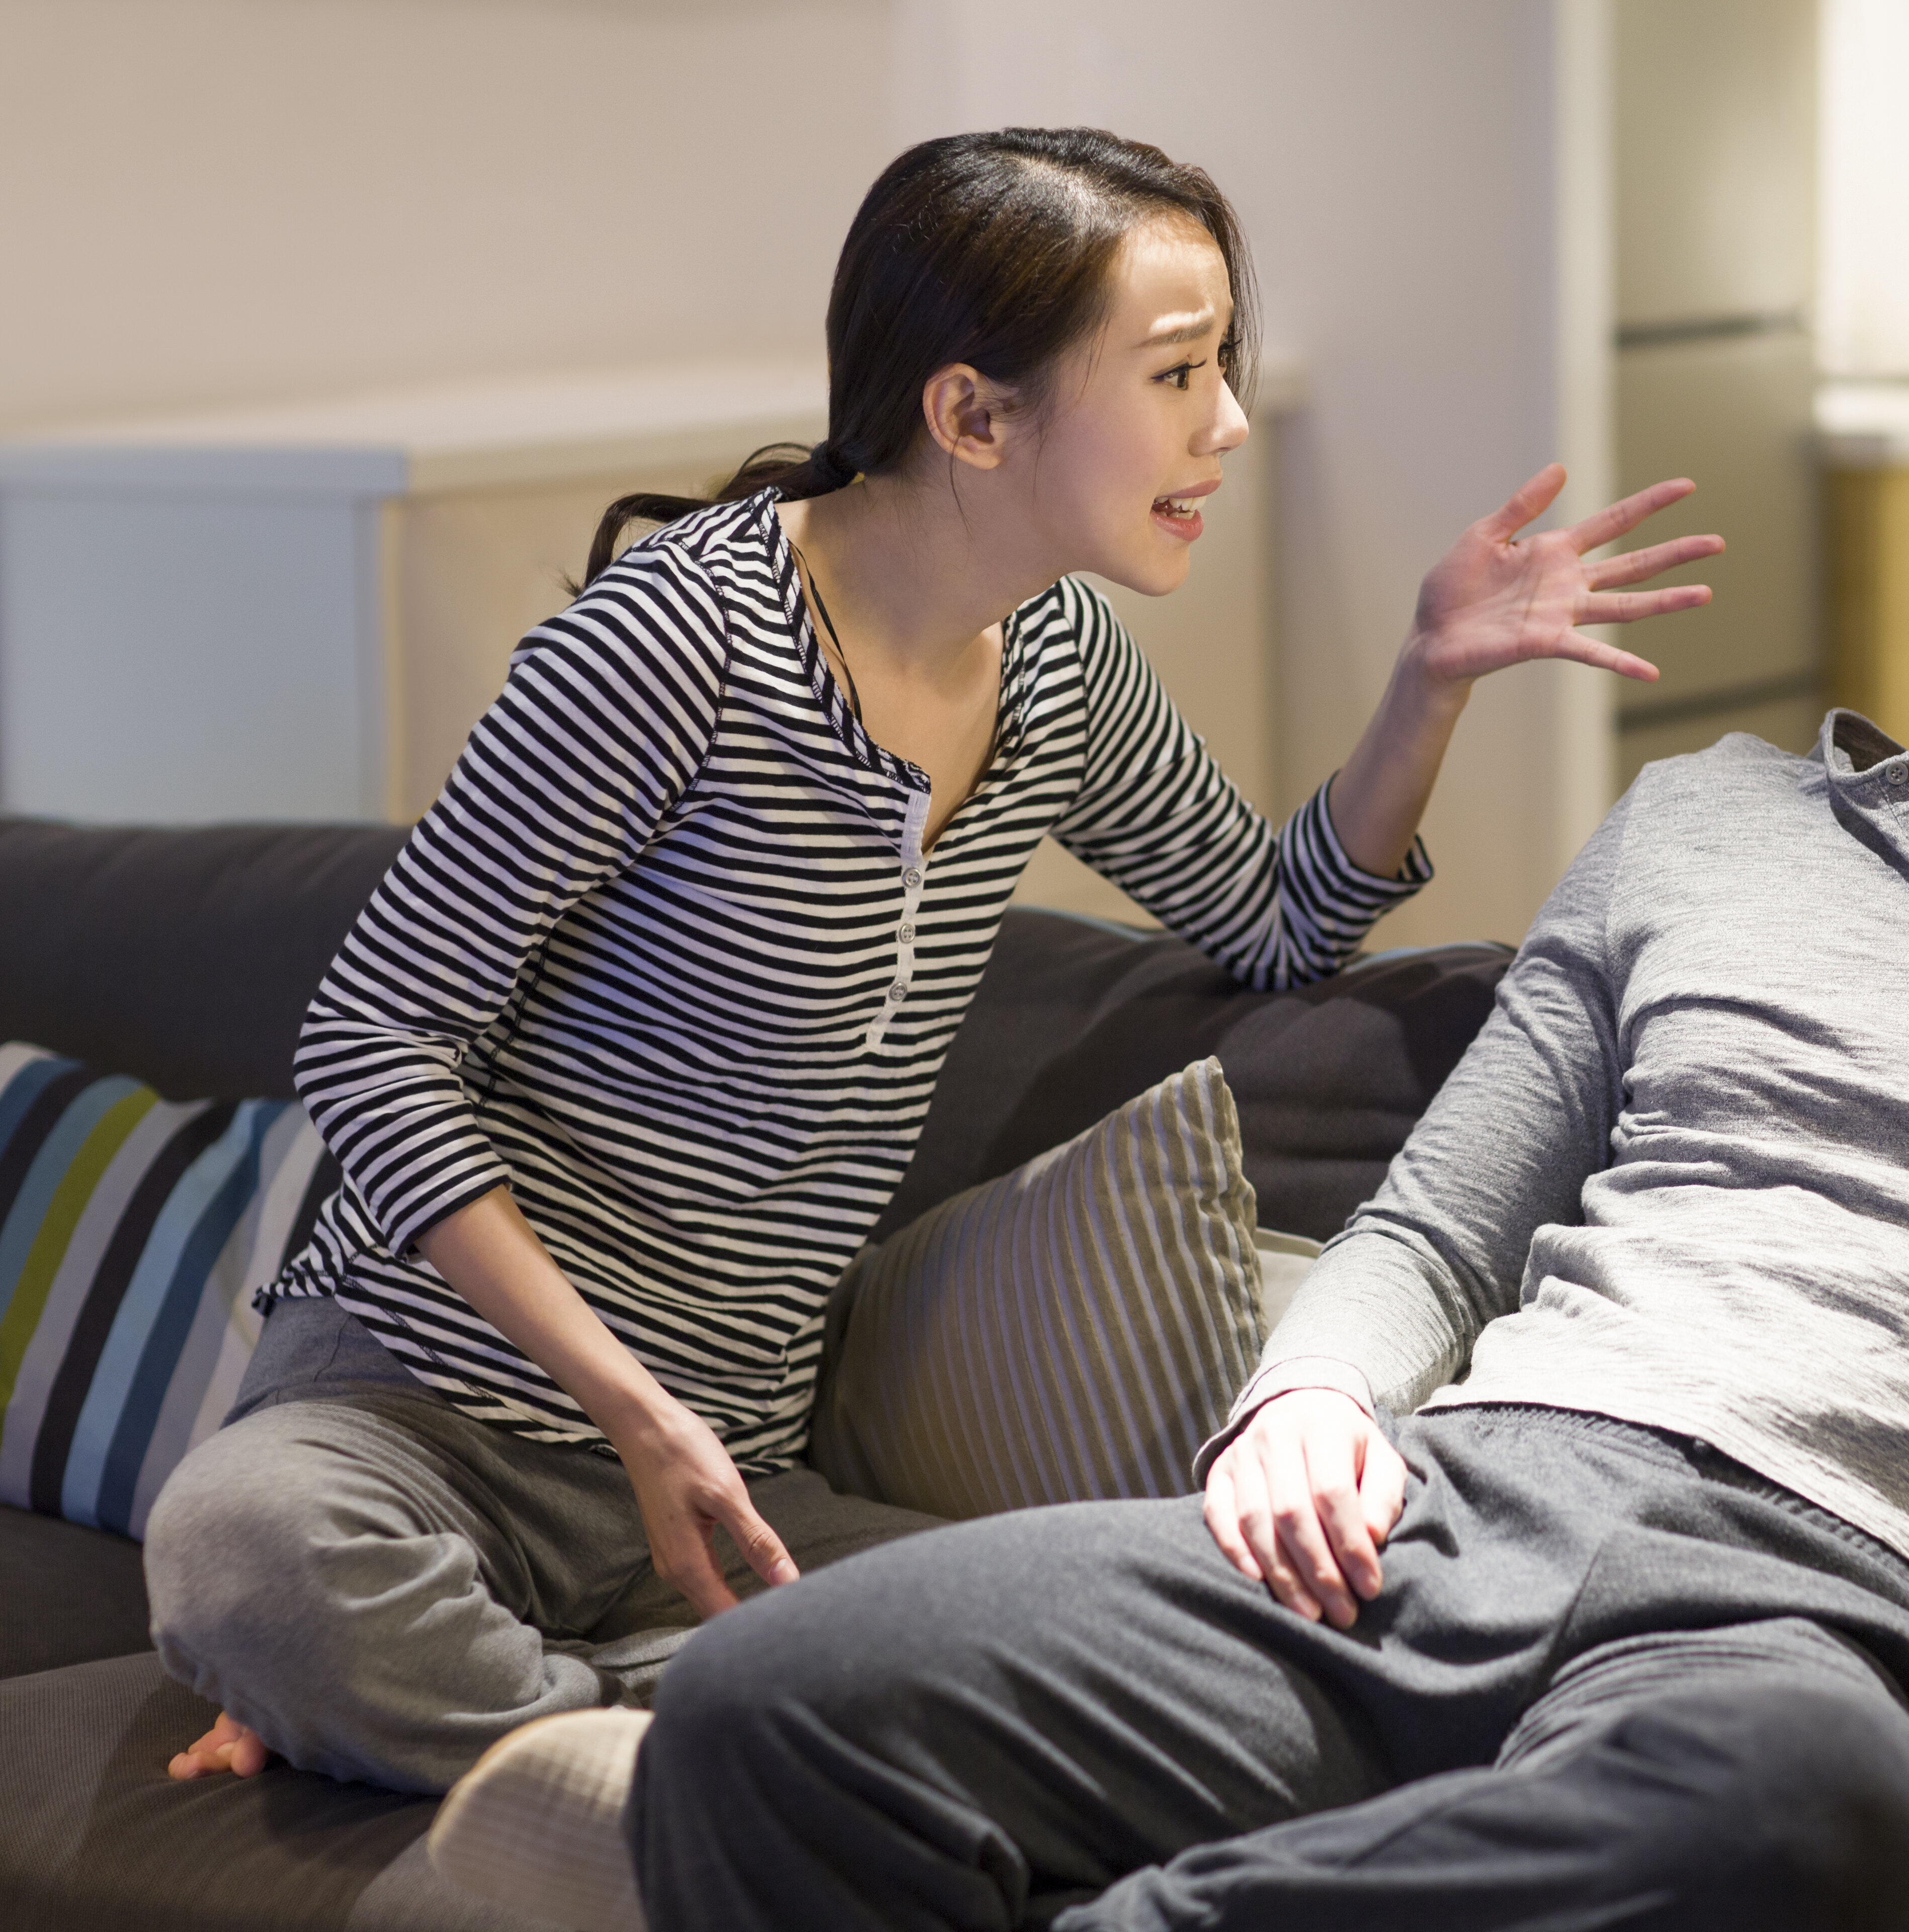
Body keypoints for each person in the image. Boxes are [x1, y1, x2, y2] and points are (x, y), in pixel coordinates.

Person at [463, 267, 1909, 1932]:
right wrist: (1313, 1403)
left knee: (1812, 1823)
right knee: (774, 1701)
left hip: (1822, 1628)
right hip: (1444, 1525)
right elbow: (1444, 1219)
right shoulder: (1714, 823)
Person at [136, 127, 1719, 1797]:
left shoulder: (1051, 661)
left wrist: (1432, 676)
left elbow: (1276, 922)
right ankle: (617, 1760)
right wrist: (632, 1410)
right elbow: (373, 1037)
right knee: (248, 1551)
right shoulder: (671, 647)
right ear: (973, 414)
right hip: (429, 1423)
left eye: (1224, 368)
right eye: (1180, 372)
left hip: (735, 1482)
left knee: (1090, 1666)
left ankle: (537, 1742)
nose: (1231, 423)